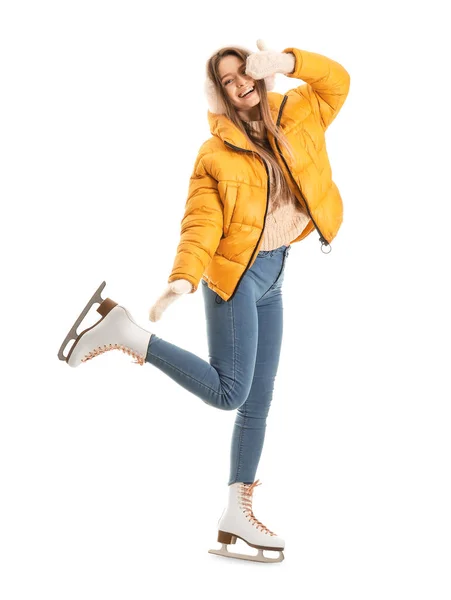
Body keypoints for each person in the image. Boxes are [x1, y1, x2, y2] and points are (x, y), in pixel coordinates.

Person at [58, 39, 350, 563]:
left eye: (245, 73)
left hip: (276, 272)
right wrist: (183, 279)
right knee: (229, 394)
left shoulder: (298, 111)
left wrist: (286, 62)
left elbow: (339, 81)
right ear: (218, 93)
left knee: (259, 402)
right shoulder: (214, 152)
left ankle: (237, 514)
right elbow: (201, 222)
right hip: (233, 277)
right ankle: (127, 333)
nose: (240, 84)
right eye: (228, 80)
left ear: (258, 74)